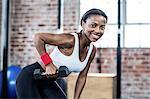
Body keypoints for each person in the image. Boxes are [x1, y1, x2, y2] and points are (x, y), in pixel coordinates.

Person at [16, 8, 108, 99]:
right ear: (83, 24)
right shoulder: (71, 40)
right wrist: (48, 64)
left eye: (102, 27)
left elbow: (82, 77)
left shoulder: (92, 50)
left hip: (47, 81)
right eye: (93, 25)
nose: (97, 30)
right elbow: (38, 38)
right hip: (30, 77)